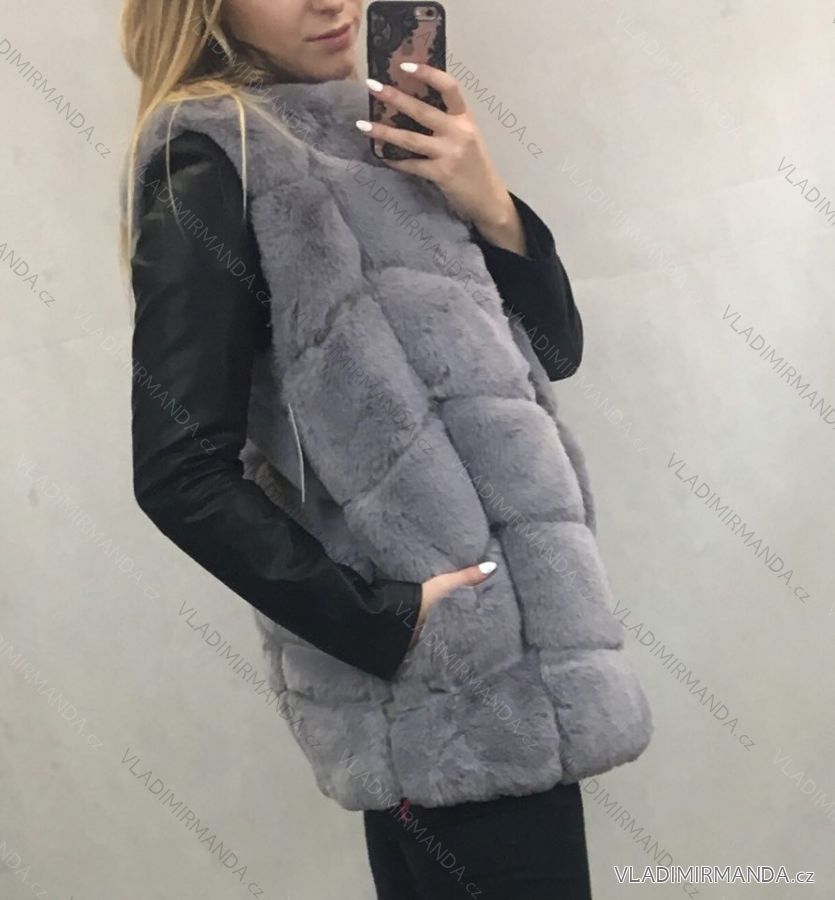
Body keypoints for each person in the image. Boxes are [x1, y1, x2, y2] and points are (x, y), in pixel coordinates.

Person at [119, 1, 652, 897]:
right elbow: (178, 469)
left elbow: (551, 354)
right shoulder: (215, 157)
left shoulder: (383, 131)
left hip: (512, 684)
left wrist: (488, 201)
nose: (328, 1)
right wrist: (390, 624)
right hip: (445, 705)